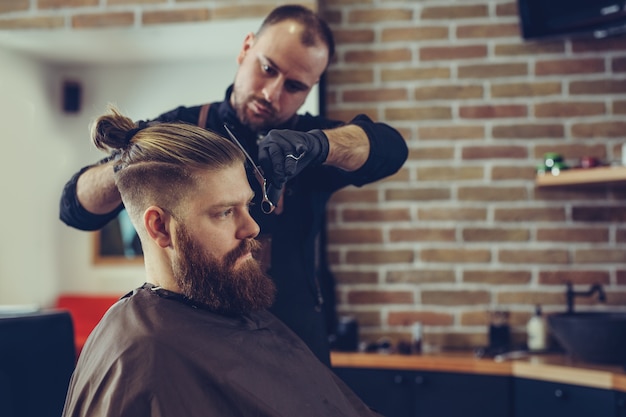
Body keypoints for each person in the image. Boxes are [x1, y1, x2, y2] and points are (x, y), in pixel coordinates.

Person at [59, 4, 408, 366]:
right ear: (246, 49)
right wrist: (137, 159)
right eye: (267, 68)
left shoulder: (311, 141)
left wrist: (320, 146)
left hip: (296, 340)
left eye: (294, 86)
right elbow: (74, 208)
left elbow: (390, 148)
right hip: (198, 342)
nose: (272, 93)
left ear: (310, 88)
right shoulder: (183, 127)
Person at [61, 108, 383, 417]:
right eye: (225, 212)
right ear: (159, 227)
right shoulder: (140, 354)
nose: (253, 227)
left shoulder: (232, 307)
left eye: (248, 205)